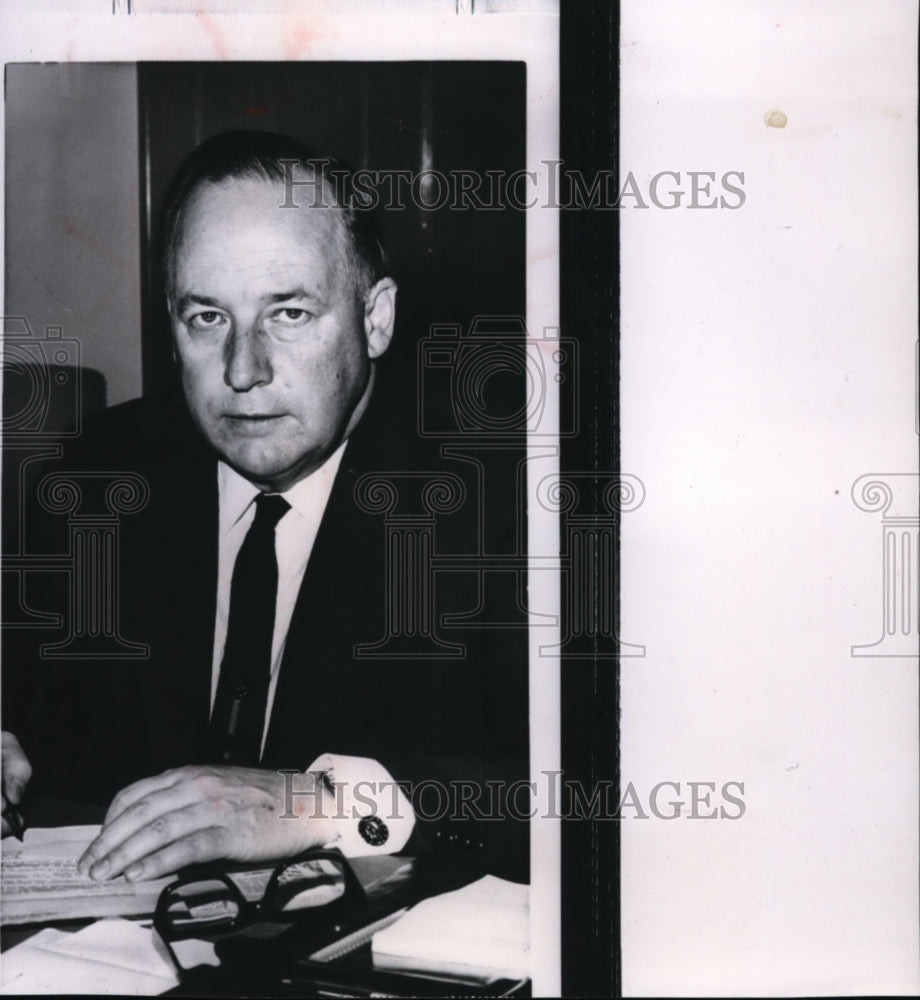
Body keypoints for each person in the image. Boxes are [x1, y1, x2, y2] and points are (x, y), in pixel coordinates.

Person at [0, 131, 528, 883]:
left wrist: (323, 804)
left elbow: (585, 786)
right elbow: (28, 694)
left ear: (375, 319)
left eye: (289, 314)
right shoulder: (100, 475)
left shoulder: (504, 500)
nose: (243, 371)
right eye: (206, 317)